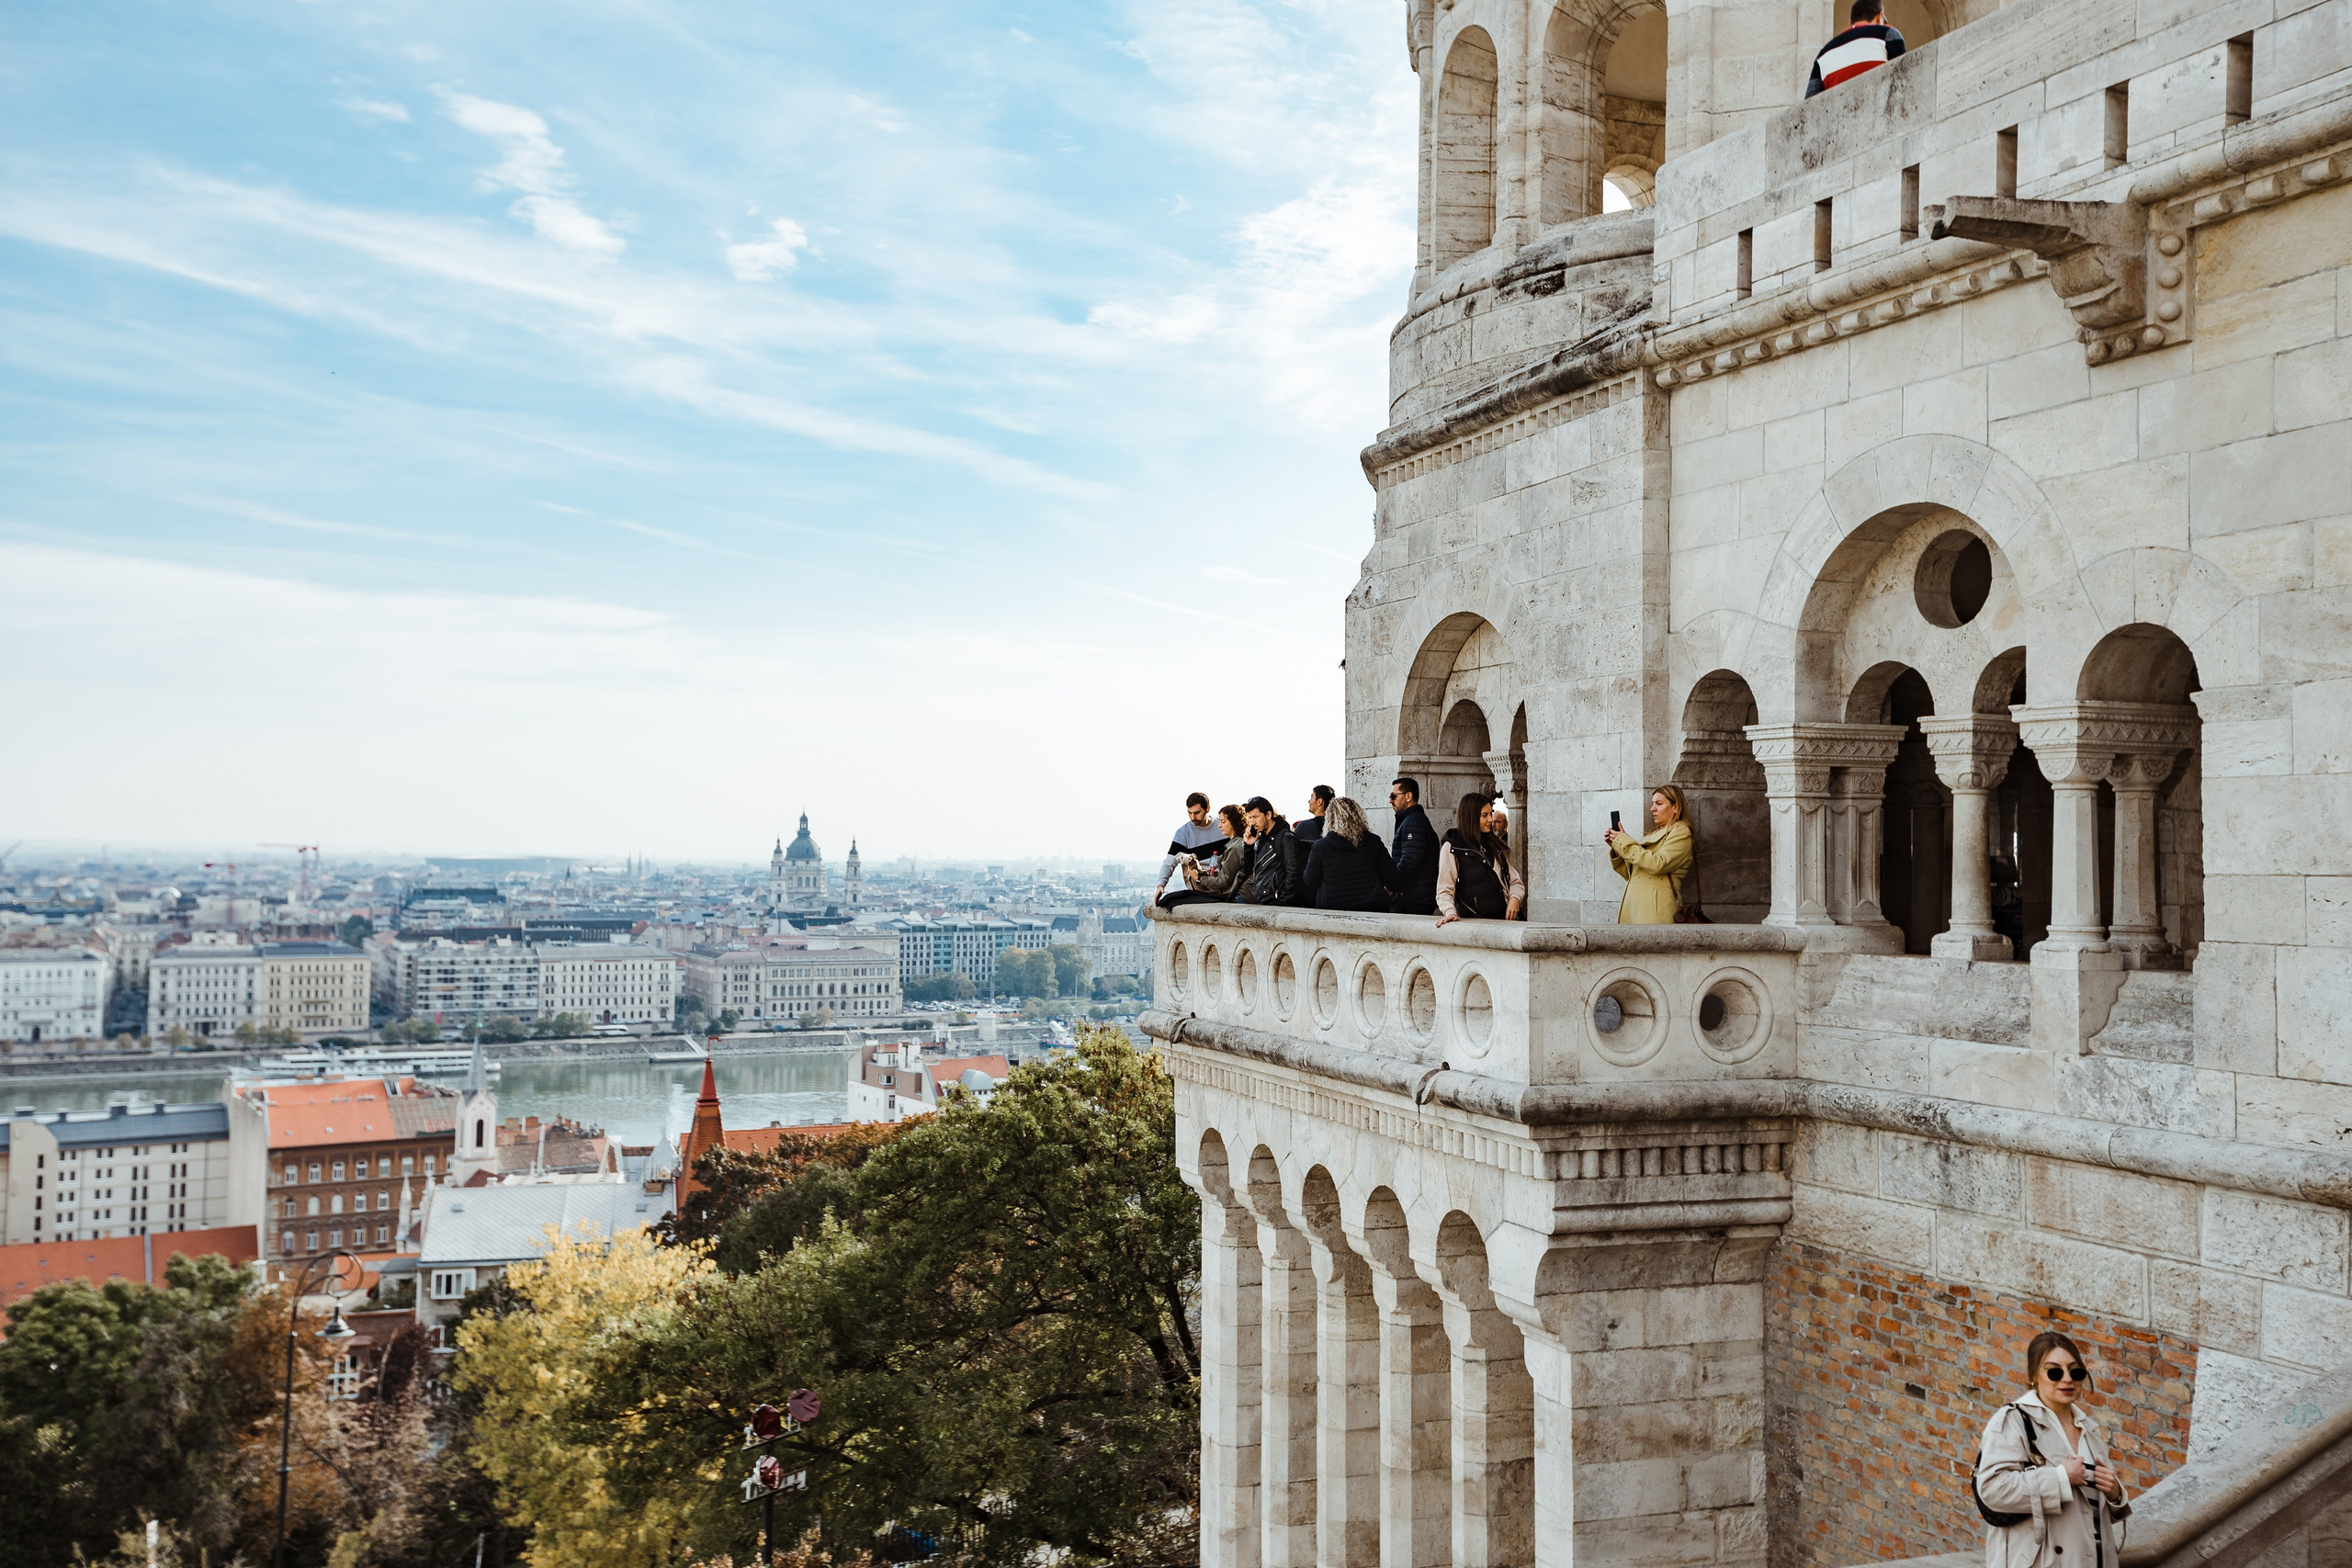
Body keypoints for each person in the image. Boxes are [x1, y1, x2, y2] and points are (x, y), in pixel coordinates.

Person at [1973, 1332, 2128, 1568]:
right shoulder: (2013, 1420)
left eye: (2075, 1372)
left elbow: (2091, 1511)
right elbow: (1992, 1489)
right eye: (2054, 1372)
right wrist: (2060, 1479)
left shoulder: (2089, 1430)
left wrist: (2115, 1493)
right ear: (2034, 1376)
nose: (2067, 1379)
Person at [1604, 784, 1694, 924]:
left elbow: (1659, 864)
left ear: (1675, 807)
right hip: (1635, 904)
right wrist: (1617, 846)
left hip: (1655, 905)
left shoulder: (1681, 831)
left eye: (1659, 803)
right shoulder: (1652, 835)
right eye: (1652, 804)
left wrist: (1623, 840)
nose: (1653, 808)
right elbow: (1631, 874)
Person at [1436, 793, 1524, 925]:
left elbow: (1515, 881)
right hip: (1476, 924)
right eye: (1485, 815)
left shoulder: (1495, 845)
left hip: (1507, 922)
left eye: (1491, 813)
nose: (1490, 819)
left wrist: (1515, 899)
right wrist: (1450, 912)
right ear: (1470, 816)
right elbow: (1444, 890)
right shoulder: (1452, 846)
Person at [1305, 796, 1396, 912]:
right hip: (1373, 908)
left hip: (1334, 911)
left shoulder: (1321, 847)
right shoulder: (1373, 841)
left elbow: (1309, 881)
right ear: (1357, 816)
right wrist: (1385, 893)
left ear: (1330, 819)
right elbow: (1391, 876)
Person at [1805, 0, 1905, 96]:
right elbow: (1904, 78)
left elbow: (1811, 99)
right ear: (1880, 17)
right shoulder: (1888, 34)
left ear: (1850, 23)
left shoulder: (1823, 54)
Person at [1163, 804, 1254, 907]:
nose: (1219, 826)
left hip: (1239, 897)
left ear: (1234, 823)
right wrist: (1202, 872)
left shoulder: (1234, 848)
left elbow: (1224, 881)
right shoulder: (1238, 843)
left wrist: (1199, 878)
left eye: (1223, 822)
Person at [1156, 793, 1227, 907]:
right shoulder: (1183, 833)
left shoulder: (1223, 827)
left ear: (1207, 809)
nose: (1193, 817)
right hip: (1199, 887)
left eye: (1197, 813)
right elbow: (1170, 862)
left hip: (1223, 884)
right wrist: (1161, 885)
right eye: (1190, 813)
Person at [1386, 777, 1441, 916]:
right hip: (1416, 897)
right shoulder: (1412, 820)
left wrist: (1392, 886)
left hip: (1414, 899)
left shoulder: (1414, 822)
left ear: (1408, 796)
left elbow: (1409, 861)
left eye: (1393, 796)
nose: (1390, 801)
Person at [1242, 796, 1304, 907]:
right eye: (1250, 818)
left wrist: (1281, 903)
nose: (1252, 822)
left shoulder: (1286, 838)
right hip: (1263, 902)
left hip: (1278, 905)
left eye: (1256, 817)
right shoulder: (1260, 838)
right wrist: (1248, 846)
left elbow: (1294, 873)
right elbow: (1248, 871)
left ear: (1268, 815)